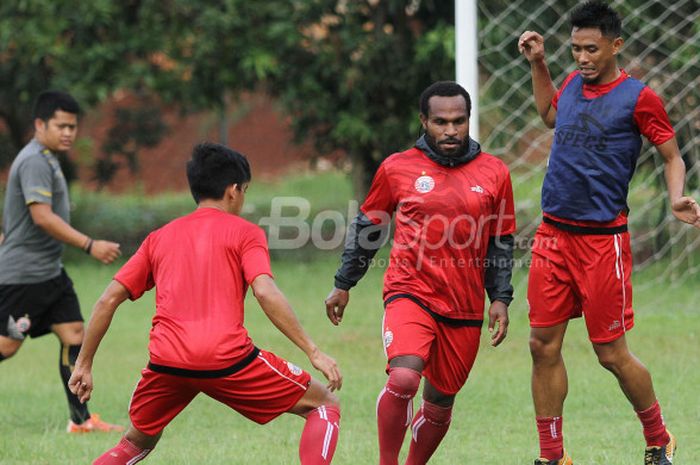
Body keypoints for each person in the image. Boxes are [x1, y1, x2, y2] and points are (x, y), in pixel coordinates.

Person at [68, 142, 342, 465]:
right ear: (234, 190)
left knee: (135, 442)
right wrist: (313, 351)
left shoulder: (160, 236)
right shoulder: (246, 233)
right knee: (323, 405)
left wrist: (84, 363)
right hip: (227, 360)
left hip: (167, 361)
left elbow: (107, 299)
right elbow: (265, 292)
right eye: (245, 191)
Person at [518, 2, 700, 464]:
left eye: (591, 49)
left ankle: (659, 438)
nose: (581, 58)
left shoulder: (640, 97)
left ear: (615, 46)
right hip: (553, 236)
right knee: (542, 345)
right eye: (575, 49)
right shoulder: (574, 87)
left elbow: (672, 156)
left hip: (603, 243)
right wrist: (539, 63)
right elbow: (548, 115)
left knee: (611, 354)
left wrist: (677, 195)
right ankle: (552, 456)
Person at [324, 81, 517, 465]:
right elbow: (369, 228)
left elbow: (501, 240)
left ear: (468, 120)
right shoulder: (398, 168)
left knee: (441, 400)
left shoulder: (495, 173)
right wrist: (344, 284)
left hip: (463, 305)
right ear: (424, 121)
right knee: (404, 377)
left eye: (459, 121)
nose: (450, 130)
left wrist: (499, 297)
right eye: (441, 121)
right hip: (409, 291)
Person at [0, 90, 123, 433]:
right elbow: (41, 216)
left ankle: (81, 421)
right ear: (40, 124)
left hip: (49, 274)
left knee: (74, 333)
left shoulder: (46, 156)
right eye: (61, 125)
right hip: (24, 277)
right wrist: (90, 244)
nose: (68, 132)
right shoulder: (36, 160)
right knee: (6, 346)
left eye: (73, 126)